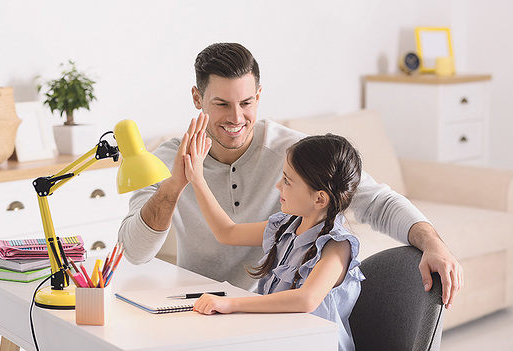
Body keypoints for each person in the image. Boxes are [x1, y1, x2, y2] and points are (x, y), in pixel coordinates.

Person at [118, 42, 463, 309]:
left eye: (247, 103)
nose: (237, 118)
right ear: (198, 98)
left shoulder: (295, 155)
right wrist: (176, 184)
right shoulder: (169, 160)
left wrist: (435, 245)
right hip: (198, 305)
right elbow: (135, 253)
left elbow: (377, 201)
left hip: (268, 311)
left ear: (259, 96)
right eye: (222, 104)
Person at [184, 129, 364, 350]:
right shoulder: (285, 226)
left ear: (320, 198)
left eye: (287, 181)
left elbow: (306, 299)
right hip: (277, 339)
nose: (278, 186)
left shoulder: (337, 247)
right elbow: (227, 232)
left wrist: (231, 304)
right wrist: (197, 180)